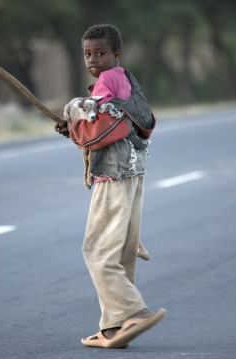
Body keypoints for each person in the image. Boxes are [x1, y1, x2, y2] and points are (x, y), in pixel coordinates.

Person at [55, 24, 166, 349]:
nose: (93, 59)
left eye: (100, 53)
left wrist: (74, 124)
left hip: (114, 174)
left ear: (116, 54)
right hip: (134, 173)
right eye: (88, 54)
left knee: (98, 250)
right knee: (120, 250)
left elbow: (102, 125)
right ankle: (114, 328)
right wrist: (77, 128)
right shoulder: (125, 78)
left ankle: (133, 312)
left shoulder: (106, 81)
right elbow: (110, 121)